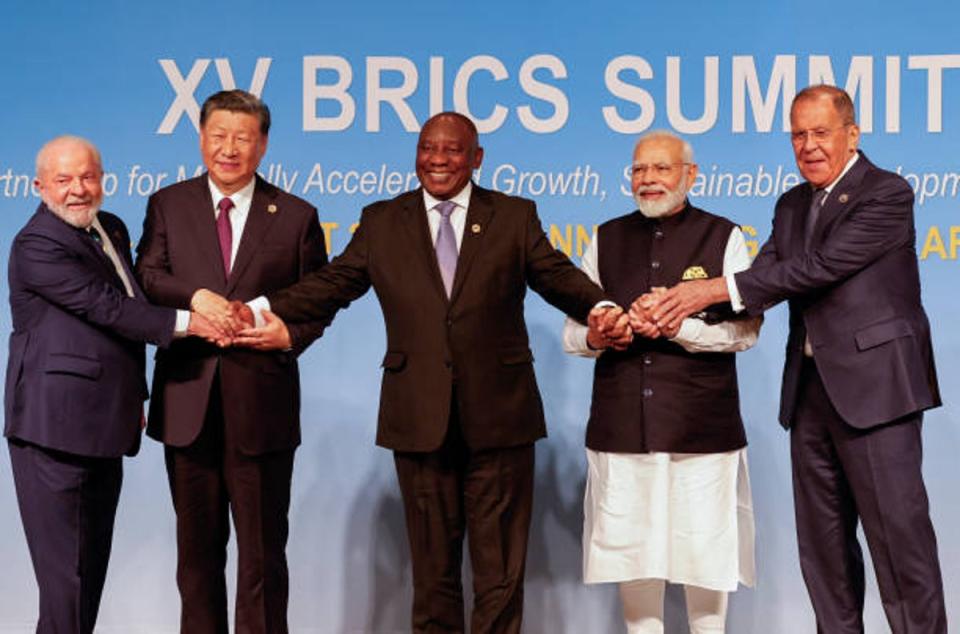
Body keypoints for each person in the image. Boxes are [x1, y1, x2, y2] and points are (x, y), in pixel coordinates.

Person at [233, 111, 612, 634]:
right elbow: (334, 283)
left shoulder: (513, 216)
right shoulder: (384, 220)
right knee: (432, 574)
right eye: (427, 148)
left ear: (476, 159)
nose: (437, 159)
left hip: (500, 419)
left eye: (452, 150)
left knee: (500, 574)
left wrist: (602, 307)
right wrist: (260, 308)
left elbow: (555, 275)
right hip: (418, 418)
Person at [647, 85, 945, 633]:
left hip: (876, 394)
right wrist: (672, 312)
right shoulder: (790, 204)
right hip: (809, 397)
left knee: (902, 554)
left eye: (821, 133)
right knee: (824, 556)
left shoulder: (887, 193)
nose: (808, 146)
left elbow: (819, 268)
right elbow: (761, 281)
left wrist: (707, 290)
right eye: (798, 135)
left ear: (851, 135)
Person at [134, 90, 329, 634]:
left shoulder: (295, 216)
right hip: (188, 404)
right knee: (196, 560)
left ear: (263, 144)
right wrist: (195, 297)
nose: (229, 149)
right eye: (218, 136)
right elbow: (146, 277)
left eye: (242, 138)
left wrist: (287, 335)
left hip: (261, 410)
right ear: (201, 138)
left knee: (263, 557)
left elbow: (319, 298)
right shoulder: (167, 204)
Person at [5, 136, 218, 634]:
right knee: (66, 587)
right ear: (39, 186)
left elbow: (132, 299)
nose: (78, 190)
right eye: (64, 180)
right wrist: (194, 321)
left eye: (87, 177)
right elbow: (107, 307)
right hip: (53, 431)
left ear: (103, 178)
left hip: (106, 425)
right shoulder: (36, 244)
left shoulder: (111, 228)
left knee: (88, 577)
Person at [562, 131, 759, 634]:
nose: (648, 180)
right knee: (633, 559)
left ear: (689, 176)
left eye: (661, 169)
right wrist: (603, 332)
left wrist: (680, 327)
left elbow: (746, 332)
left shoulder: (724, 236)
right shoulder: (604, 238)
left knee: (706, 557)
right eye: (638, 170)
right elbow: (572, 333)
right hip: (623, 429)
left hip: (702, 432)